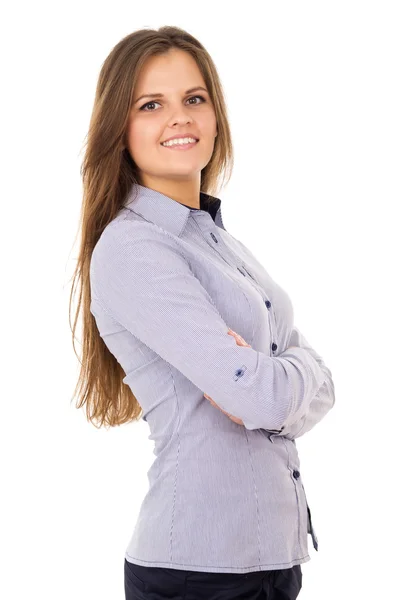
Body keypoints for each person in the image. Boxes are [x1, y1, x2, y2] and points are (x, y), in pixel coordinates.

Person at [70, 26, 335, 600]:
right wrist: (279, 377)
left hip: (273, 562)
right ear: (120, 128)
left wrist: (280, 376)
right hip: (198, 575)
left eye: (194, 99)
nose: (179, 118)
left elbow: (316, 383)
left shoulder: (218, 242)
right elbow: (256, 396)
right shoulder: (133, 248)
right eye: (150, 105)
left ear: (216, 115)